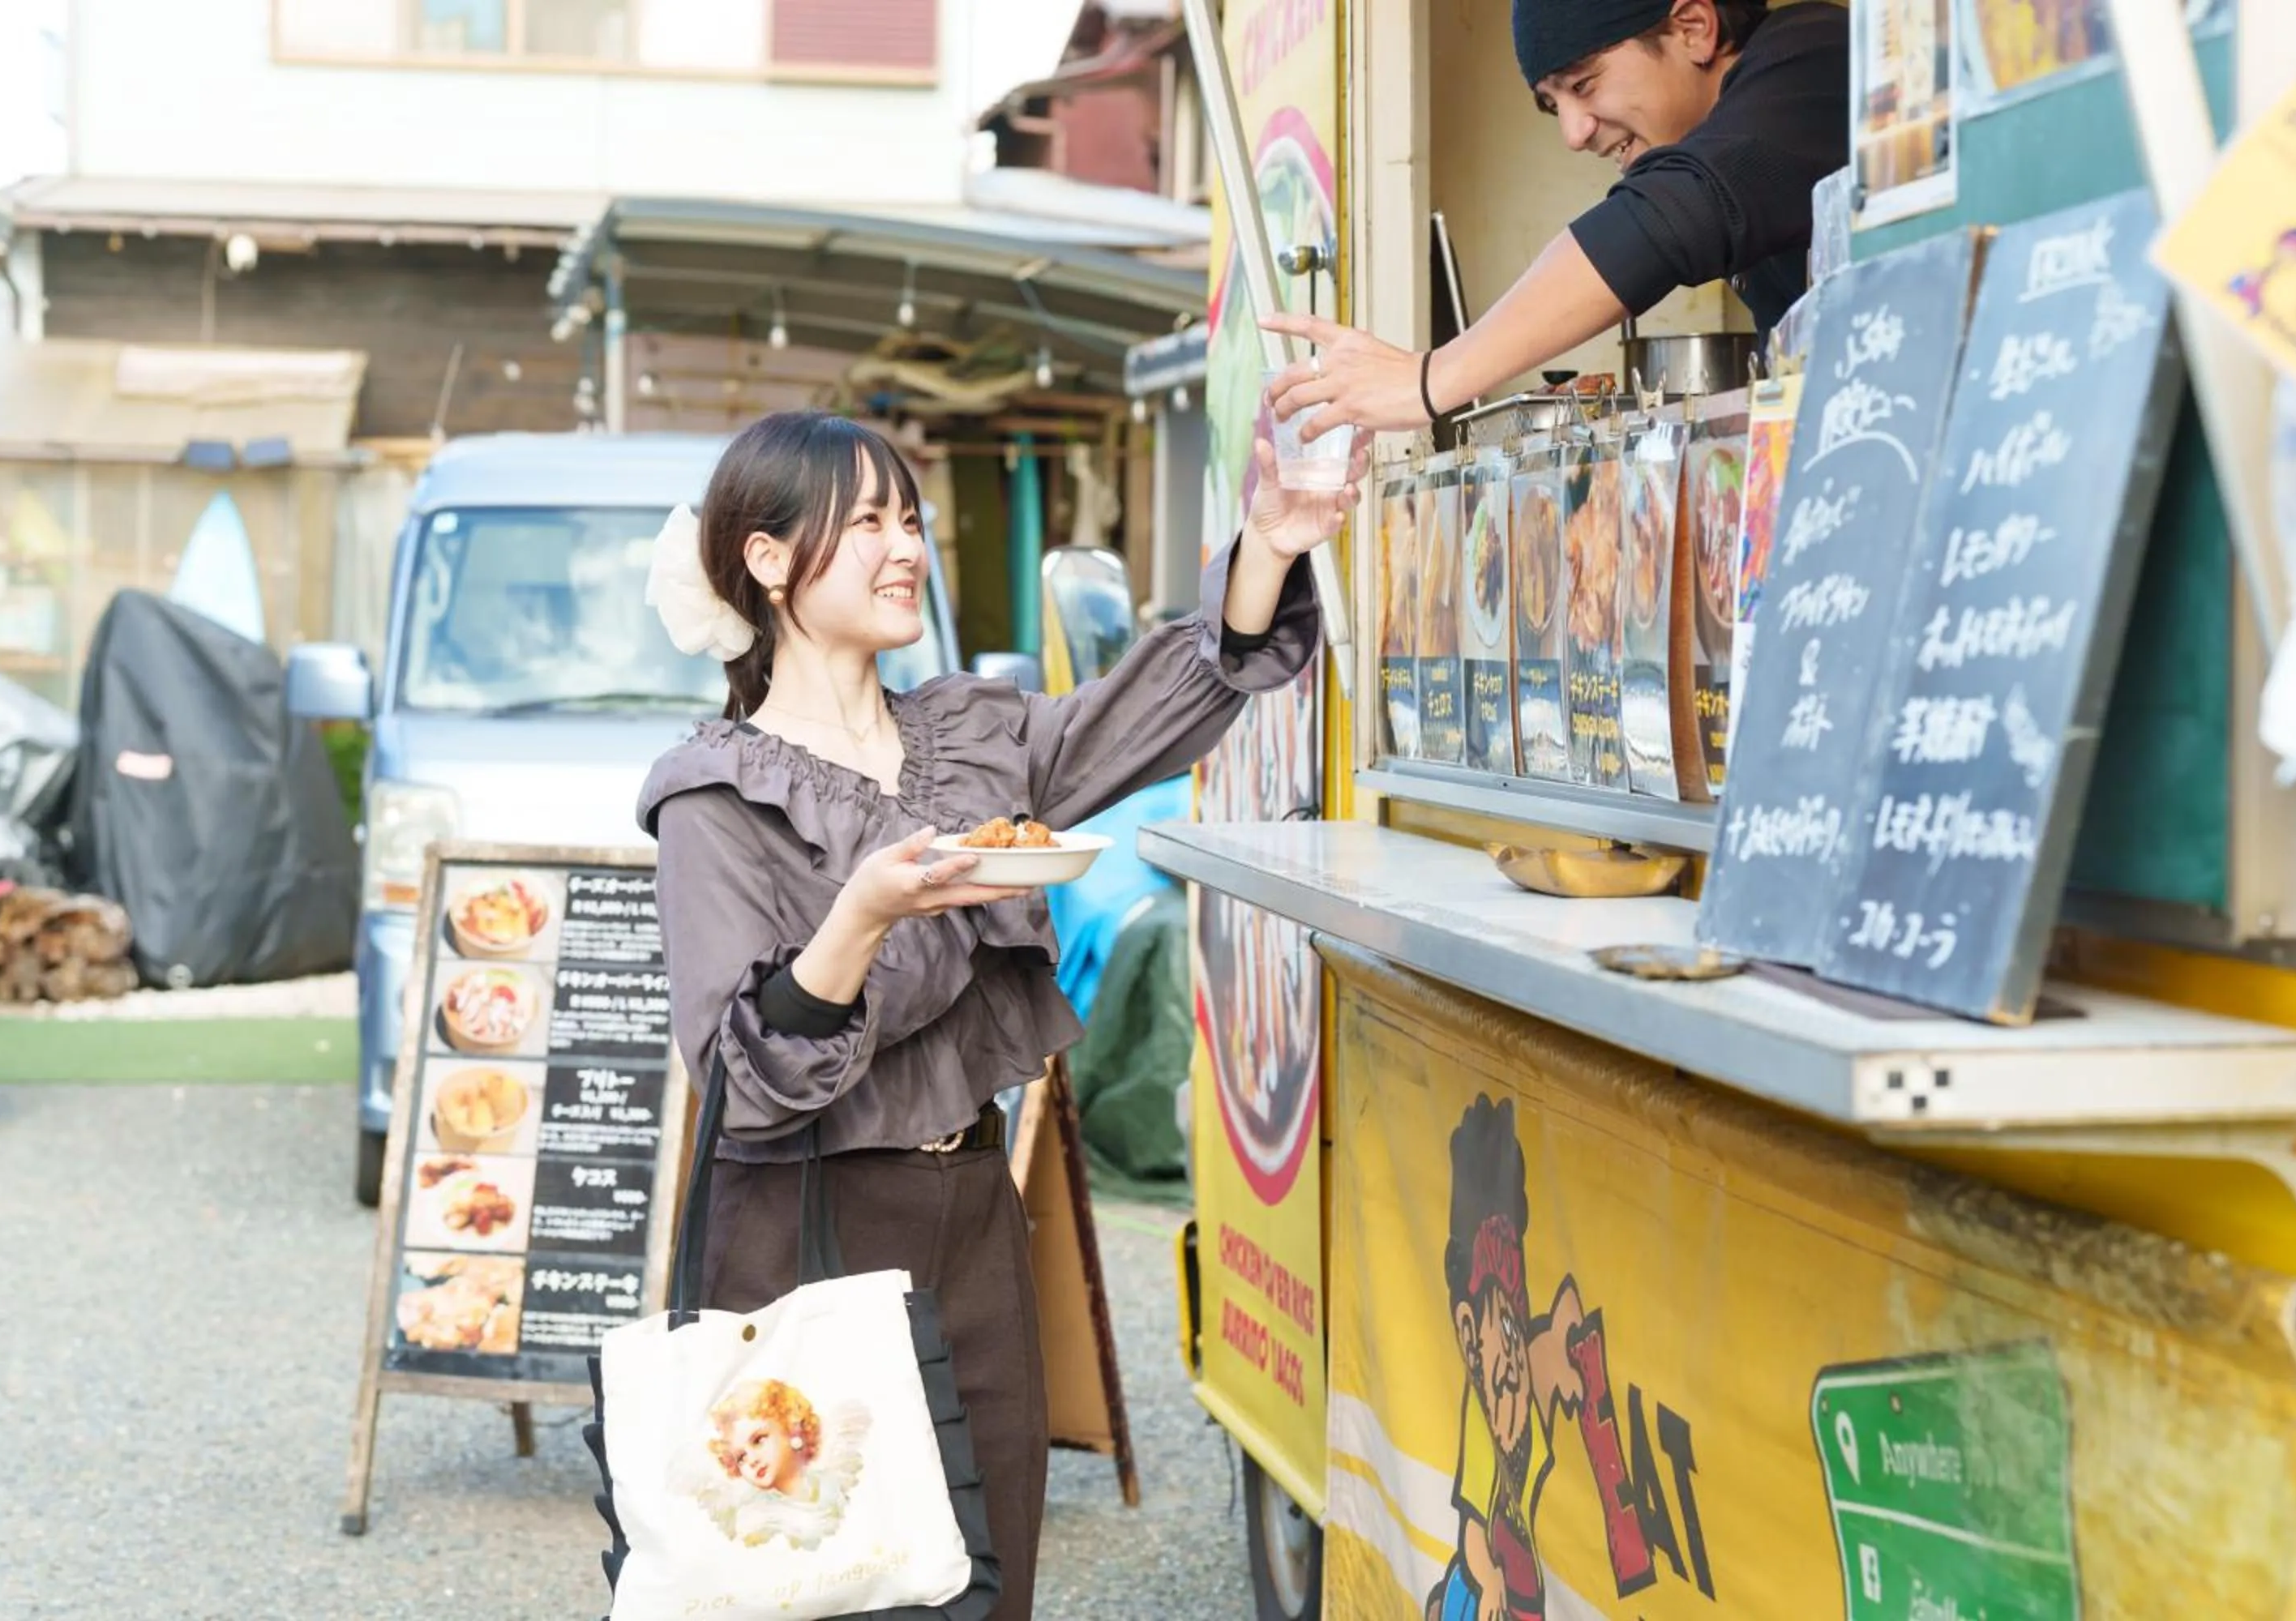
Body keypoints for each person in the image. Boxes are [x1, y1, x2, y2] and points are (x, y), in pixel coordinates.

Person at [637, 410, 1363, 1619]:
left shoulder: (967, 736)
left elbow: (1146, 713)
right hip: (809, 1226)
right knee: (823, 1583)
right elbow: (743, 1076)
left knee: (985, 1576)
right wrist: (863, 915)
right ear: (767, 562)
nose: (903, 546)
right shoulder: (716, 797)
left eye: (909, 519)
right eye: (864, 521)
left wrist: (1270, 548)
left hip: (975, 1210)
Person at [1264, 0, 1847, 441]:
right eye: (1554, 105)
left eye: (1584, 86)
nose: (1574, 133)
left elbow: (1675, 213)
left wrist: (1428, 381)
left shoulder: (1814, 62)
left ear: (1693, 27)